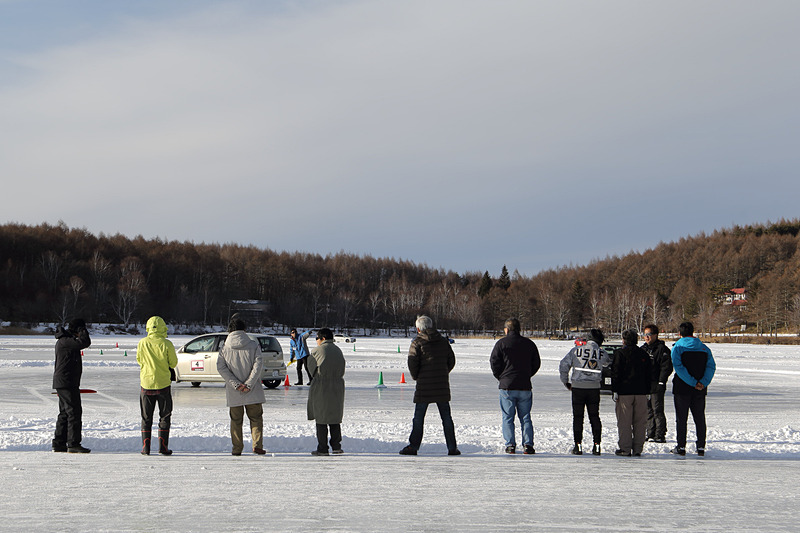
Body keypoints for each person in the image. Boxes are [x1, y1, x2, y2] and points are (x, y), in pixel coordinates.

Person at [400, 315, 460, 456]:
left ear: (418, 328)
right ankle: (452, 447)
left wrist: (417, 377)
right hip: (441, 385)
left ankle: (413, 446)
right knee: (446, 417)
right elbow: (451, 360)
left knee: (418, 418)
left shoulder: (417, 342)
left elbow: (412, 363)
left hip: (424, 386)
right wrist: (443, 373)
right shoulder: (443, 341)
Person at [490, 318, 541, 455]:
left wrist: (501, 377)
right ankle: (528, 444)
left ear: (507, 330)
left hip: (507, 386)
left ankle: (510, 444)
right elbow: (536, 363)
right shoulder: (529, 344)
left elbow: (494, 362)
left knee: (508, 417)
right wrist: (527, 375)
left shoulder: (501, 344)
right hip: (524, 385)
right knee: (525, 417)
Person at [217, 317, 266, 456]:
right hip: (253, 391)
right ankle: (257, 445)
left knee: (236, 420)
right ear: (244, 329)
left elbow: (221, 367)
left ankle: (237, 448)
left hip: (234, 392)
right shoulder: (253, 345)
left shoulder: (224, 348)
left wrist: (236, 384)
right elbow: (258, 366)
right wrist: (249, 384)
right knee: (256, 418)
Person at [559, 328, 611, 456]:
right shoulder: (601, 353)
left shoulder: (576, 351)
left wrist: (566, 381)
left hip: (578, 388)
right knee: (594, 417)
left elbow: (563, 365)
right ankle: (597, 445)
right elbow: (607, 363)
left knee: (578, 417)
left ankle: (578, 446)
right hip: (594, 389)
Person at [670, 321, 716, 456]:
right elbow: (711, 366)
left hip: (682, 388)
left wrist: (692, 382)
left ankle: (681, 446)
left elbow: (678, 367)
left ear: (680, 334)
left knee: (681, 418)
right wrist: (703, 382)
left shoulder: (677, 347)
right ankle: (701, 446)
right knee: (699, 417)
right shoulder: (704, 348)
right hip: (699, 389)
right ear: (693, 332)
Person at [136, 316, 178, 456]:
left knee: (146, 418)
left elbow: (139, 360)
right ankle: (163, 447)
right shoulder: (167, 344)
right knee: (165, 416)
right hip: (163, 384)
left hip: (146, 384)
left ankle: (145, 448)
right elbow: (173, 363)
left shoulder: (142, 343)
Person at [52, 318, 92, 453]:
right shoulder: (65, 341)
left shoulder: (66, 340)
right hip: (66, 382)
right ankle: (73, 443)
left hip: (66, 381)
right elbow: (85, 342)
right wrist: (83, 331)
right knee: (74, 412)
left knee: (64, 413)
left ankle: (59, 443)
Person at [611, 329, 652, 457]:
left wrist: (615, 390)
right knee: (640, 422)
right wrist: (648, 390)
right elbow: (649, 374)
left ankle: (625, 448)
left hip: (624, 392)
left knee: (624, 422)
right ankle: (638, 448)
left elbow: (615, 373)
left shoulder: (620, 354)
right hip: (641, 392)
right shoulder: (643, 354)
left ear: (624, 340)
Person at [307, 327, 346, 456]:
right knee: (334, 417)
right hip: (337, 386)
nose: (316, 341)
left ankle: (322, 448)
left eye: (317, 338)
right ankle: (336, 446)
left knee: (321, 418)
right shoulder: (338, 350)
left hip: (322, 387)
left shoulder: (317, 351)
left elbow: (311, 369)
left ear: (322, 338)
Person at [641, 324, 673, 443]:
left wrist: (661, 381)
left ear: (655, 335)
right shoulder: (643, 349)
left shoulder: (662, 350)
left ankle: (660, 434)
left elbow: (666, 367)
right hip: (645, 385)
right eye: (645, 335)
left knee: (657, 409)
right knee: (648, 409)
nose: (647, 337)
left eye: (649, 335)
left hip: (657, 384)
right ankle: (650, 432)